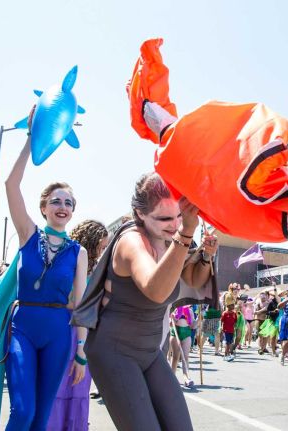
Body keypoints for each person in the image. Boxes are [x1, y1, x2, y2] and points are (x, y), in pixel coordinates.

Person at [82, 172, 212, 431]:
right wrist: (186, 231)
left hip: (150, 352)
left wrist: (206, 255)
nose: (174, 224)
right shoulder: (131, 241)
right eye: (164, 218)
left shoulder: (167, 240)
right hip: (114, 353)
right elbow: (156, 291)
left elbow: (193, 278)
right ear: (140, 214)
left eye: (179, 215)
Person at [2, 113, 88, 431]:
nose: (62, 206)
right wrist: (30, 138)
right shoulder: (28, 234)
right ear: (44, 207)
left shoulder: (79, 252)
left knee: (41, 420)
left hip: (58, 334)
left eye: (68, 202)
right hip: (23, 328)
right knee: (23, 411)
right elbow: (11, 184)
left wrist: (81, 352)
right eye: (56, 201)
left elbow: (80, 305)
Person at [48, 219, 108, 431]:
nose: (103, 251)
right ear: (91, 243)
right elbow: (71, 301)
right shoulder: (71, 262)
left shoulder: (96, 269)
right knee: (60, 389)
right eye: (101, 246)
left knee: (78, 389)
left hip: (83, 331)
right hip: (67, 329)